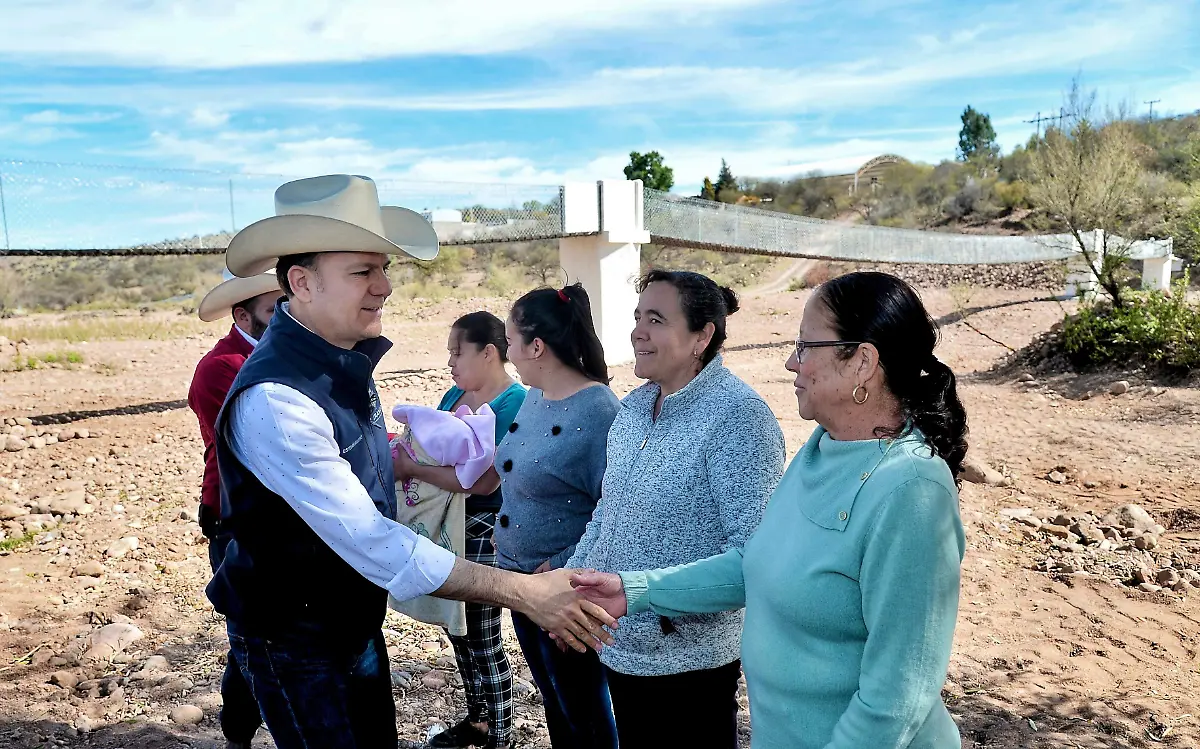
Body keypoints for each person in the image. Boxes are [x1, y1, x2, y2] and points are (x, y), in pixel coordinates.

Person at [207, 174, 615, 749]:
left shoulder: (340, 364)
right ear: (301, 282)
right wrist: (522, 591)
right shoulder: (278, 399)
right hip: (294, 639)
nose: (385, 286)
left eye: (384, 269)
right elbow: (371, 538)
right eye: (362, 272)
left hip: (349, 621)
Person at [572, 271, 969, 749]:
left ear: (862, 361)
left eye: (805, 346)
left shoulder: (912, 491)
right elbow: (755, 564)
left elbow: (898, 700)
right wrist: (632, 590)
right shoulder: (820, 451)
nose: (789, 362)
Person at [565, 269, 786, 748]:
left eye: (657, 319)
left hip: (690, 664)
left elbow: (754, 559)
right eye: (638, 317)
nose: (638, 331)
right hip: (619, 647)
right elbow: (608, 512)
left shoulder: (739, 420)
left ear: (702, 336)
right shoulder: (633, 409)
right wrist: (570, 584)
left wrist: (645, 597)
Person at [491, 284, 622, 748]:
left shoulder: (600, 411)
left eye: (510, 342)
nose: (508, 354)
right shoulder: (536, 396)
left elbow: (619, 507)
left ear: (537, 346)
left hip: (566, 590)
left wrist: (568, 562)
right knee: (556, 702)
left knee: (585, 713)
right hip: (522, 585)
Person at [393, 311, 527, 749]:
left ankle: (502, 736)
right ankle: (478, 722)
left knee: (484, 640)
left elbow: (484, 481)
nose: (450, 361)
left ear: (488, 353)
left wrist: (410, 467)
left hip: (484, 531)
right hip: (446, 530)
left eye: (457, 351)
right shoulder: (456, 394)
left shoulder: (514, 404)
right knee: (459, 633)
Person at [187, 267, 282, 749]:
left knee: (264, 631)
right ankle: (239, 733)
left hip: (262, 509)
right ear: (242, 314)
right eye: (272, 309)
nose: (284, 314)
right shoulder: (222, 366)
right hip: (236, 512)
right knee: (251, 634)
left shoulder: (263, 355)